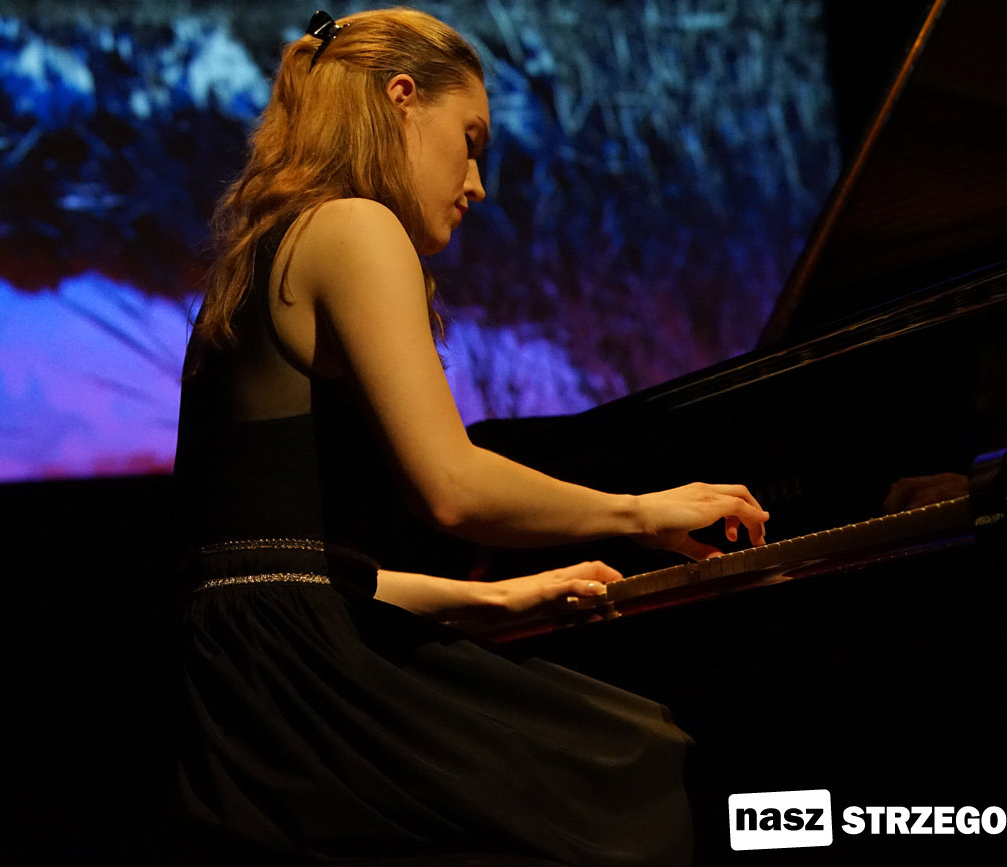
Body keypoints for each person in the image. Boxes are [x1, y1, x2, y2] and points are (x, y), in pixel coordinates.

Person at [171, 9, 768, 865]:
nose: (477, 183)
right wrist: (639, 512)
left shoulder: (267, 248)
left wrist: (493, 600)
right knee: (642, 768)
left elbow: (276, 567)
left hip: (245, 680)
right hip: (300, 685)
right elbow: (451, 489)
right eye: (471, 140)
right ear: (402, 99)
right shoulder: (354, 226)